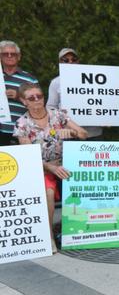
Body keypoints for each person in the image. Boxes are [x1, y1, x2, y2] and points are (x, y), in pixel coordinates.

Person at [13, 82, 87, 253]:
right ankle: (49, 237)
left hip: (65, 163)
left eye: (40, 96)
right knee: (48, 193)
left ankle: (87, 232)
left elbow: (84, 134)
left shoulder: (58, 115)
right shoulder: (22, 124)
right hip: (42, 168)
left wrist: (73, 133)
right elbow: (28, 158)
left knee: (88, 180)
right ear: (24, 101)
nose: (37, 100)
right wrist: (51, 168)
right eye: (32, 98)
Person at [47, 48, 103, 140]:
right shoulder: (56, 82)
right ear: (60, 62)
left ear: (78, 61)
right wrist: (62, 122)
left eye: (74, 59)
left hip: (94, 134)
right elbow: (51, 108)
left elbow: (104, 101)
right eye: (66, 60)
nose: (70, 62)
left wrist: (108, 118)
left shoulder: (94, 80)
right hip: (70, 134)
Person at [1, 40, 38, 145]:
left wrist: (18, 96)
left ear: (19, 57)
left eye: (13, 54)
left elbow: (38, 105)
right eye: (5, 54)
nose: (9, 56)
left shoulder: (30, 79)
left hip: (20, 131)